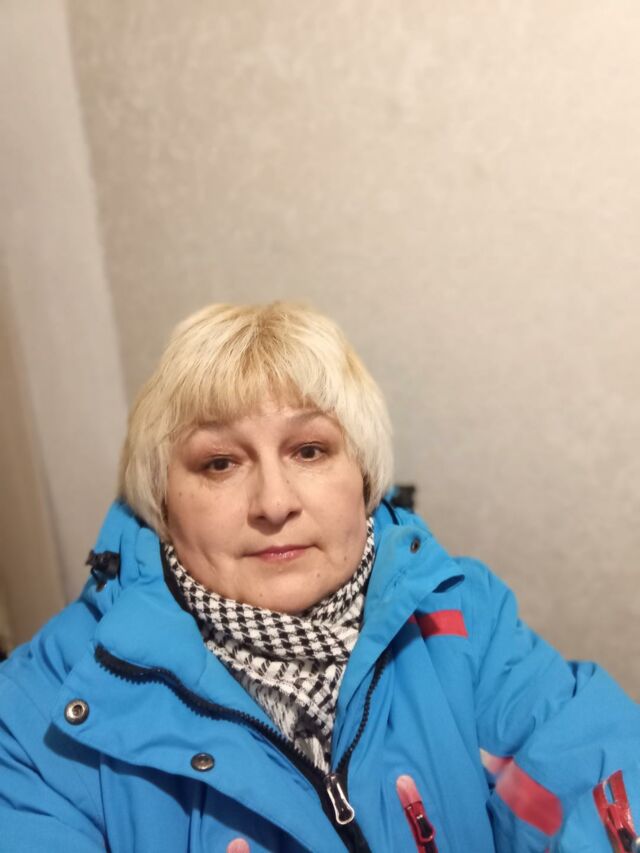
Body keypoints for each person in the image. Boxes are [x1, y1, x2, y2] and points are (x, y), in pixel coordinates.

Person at [0, 302, 638, 853]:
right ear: (162, 503)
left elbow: (585, 772)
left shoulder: (461, 618)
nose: (274, 503)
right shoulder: (36, 715)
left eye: (309, 450)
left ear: (364, 479)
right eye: (219, 463)